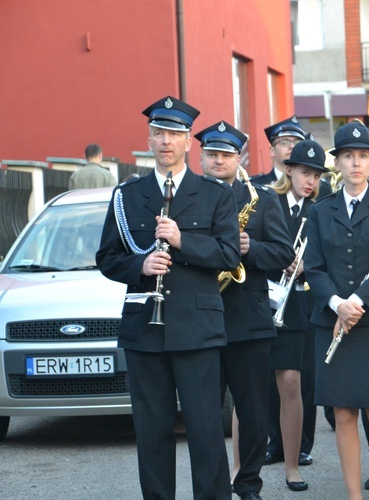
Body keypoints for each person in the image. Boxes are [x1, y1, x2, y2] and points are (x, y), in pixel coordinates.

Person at [96, 96, 240, 499]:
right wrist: (139, 268)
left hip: (197, 329)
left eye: (175, 134)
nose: (166, 141)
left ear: (189, 140)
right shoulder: (128, 195)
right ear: (149, 138)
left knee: (206, 433)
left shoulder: (214, 194)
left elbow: (229, 255)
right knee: (152, 432)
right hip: (145, 330)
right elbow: (107, 257)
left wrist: (183, 241)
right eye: (159, 133)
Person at [194, 120, 295, 500]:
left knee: (253, 412)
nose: (219, 160)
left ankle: (248, 483)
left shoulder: (264, 199)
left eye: (226, 155)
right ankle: (215, 485)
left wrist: (252, 248)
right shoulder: (189, 197)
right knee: (203, 415)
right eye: (212, 154)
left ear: (240, 158)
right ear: (200, 157)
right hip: (201, 317)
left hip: (248, 320)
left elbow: (284, 253)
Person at [305, 121, 369, 500]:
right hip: (331, 323)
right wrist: (337, 304)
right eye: (348, 156)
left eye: (363, 155)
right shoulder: (321, 209)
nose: (356, 163)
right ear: (338, 163)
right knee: (343, 411)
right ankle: (354, 495)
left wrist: (358, 302)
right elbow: (313, 268)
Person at [266, 138, 328, 491]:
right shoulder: (266, 201)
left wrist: (308, 264)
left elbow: (325, 254)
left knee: (292, 381)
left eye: (316, 176)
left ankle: (294, 462)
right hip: (264, 299)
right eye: (305, 173)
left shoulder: (318, 210)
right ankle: (248, 463)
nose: (310, 181)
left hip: (297, 303)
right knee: (257, 384)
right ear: (288, 170)